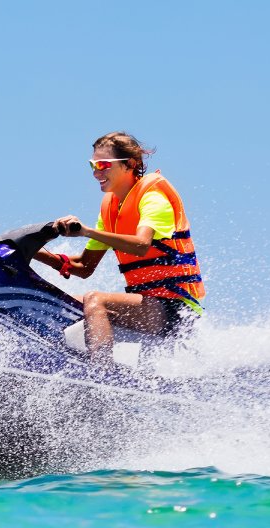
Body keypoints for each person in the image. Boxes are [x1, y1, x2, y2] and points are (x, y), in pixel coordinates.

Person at [36, 131, 205, 366]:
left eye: (104, 165)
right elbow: (83, 267)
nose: (97, 172)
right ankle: (51, 363)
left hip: (177, 309)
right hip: (148, 304)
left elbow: (142, 245)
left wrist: (86, 232)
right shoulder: (110, 209)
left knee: (95, 300)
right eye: (93, 165)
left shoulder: (154, 198)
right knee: (61, 302)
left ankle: (102, 375)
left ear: (130, 164)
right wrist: (32, 251)